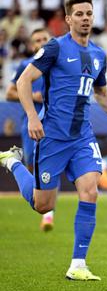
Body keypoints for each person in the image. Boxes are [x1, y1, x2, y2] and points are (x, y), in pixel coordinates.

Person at [0, 0, 107, 281]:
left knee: (91, 190)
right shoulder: (54, 48)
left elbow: (101, 92)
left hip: (82, 137)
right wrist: (30, 117)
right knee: (44, 206)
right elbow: (24, 81)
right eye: (79, 14)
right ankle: (12, 162)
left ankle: (78, 264)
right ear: (67, 19)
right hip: (51, 136)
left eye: (89, 13)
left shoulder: (99, 54)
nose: (85, 18)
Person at [5, 28, 55, 231]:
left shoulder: (58, 64)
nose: (41, 42)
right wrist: (31, 98)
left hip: (55, 124)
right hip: (32, 125)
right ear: (32, 45)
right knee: (34, 168)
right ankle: (12, 162)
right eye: (37, 40)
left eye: (45, 39)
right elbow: (9, 93)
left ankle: (49, 214)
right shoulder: (27, 66)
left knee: (52, 166)